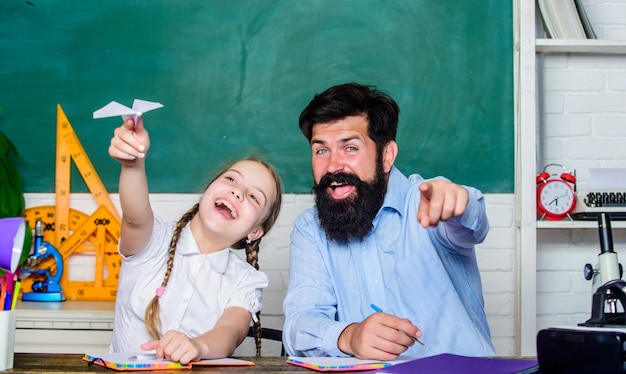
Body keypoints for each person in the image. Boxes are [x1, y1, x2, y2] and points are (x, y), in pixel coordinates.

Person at [282, 83, 495, 360]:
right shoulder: (310, 230)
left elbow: (472, 224)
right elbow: (299, 325)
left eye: (350, 148)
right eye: (321, 150)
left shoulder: (428, 201)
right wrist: (348, 336)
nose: (333, 166)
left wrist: (461, 203)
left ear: (386, 156)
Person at [107, 117, 282, 363]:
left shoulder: (245, 280)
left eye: (254, 197)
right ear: (208, 190)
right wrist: (133, 164)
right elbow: (135, 217)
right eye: (231, 179)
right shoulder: (154, 240)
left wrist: (197, 346)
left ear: (254, 232)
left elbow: (231, 332)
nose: (237, 192)